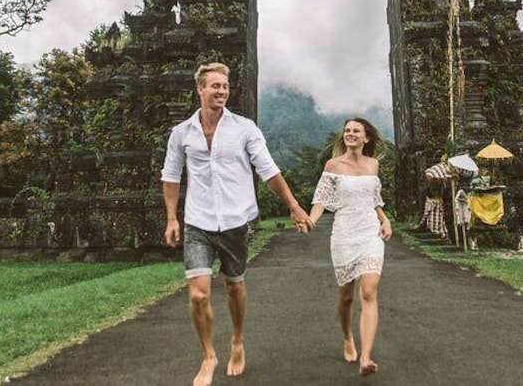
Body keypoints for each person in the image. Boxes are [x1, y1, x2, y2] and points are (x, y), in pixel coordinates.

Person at [161, 62, 313, 386]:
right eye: (214, 85)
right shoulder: (181, 134)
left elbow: (268, 170)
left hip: (234, 222)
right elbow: (171, 177)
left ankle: (238, 340)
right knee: (199, 295)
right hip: (197, 222)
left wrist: (294, 206)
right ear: (200, 89)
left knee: (234, 286)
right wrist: (172, 217)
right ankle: (208, 356)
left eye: (225, 86)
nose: (221, 91)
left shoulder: (245, 129)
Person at [309, 117, 392, 376]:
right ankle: (347, 336)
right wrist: (310, 220)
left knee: (368, 291)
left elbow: (374, 198)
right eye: (347, 130)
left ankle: (366, 357)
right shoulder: (333, 165)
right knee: (346, 295)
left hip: (370, 233)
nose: (350, 134)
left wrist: (385, 219)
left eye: (356, 131)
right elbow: (321, 199)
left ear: (366, 138)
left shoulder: (373, 164)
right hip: (344, 233)